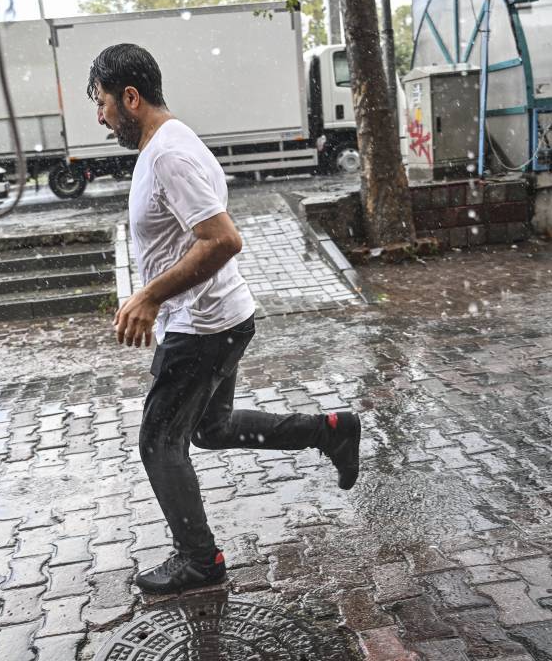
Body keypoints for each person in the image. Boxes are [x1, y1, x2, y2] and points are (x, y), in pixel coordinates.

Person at [88, 43, 361, 595]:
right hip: (219, 318)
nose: (100, 115)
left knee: (159, 444)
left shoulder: (170, 154)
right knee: (209, 429)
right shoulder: (167, 145)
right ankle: (330, 431)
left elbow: (222, 240)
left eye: (102, 101)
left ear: (131, 98)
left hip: (202, 327)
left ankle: (200, 560)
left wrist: (149, 298)